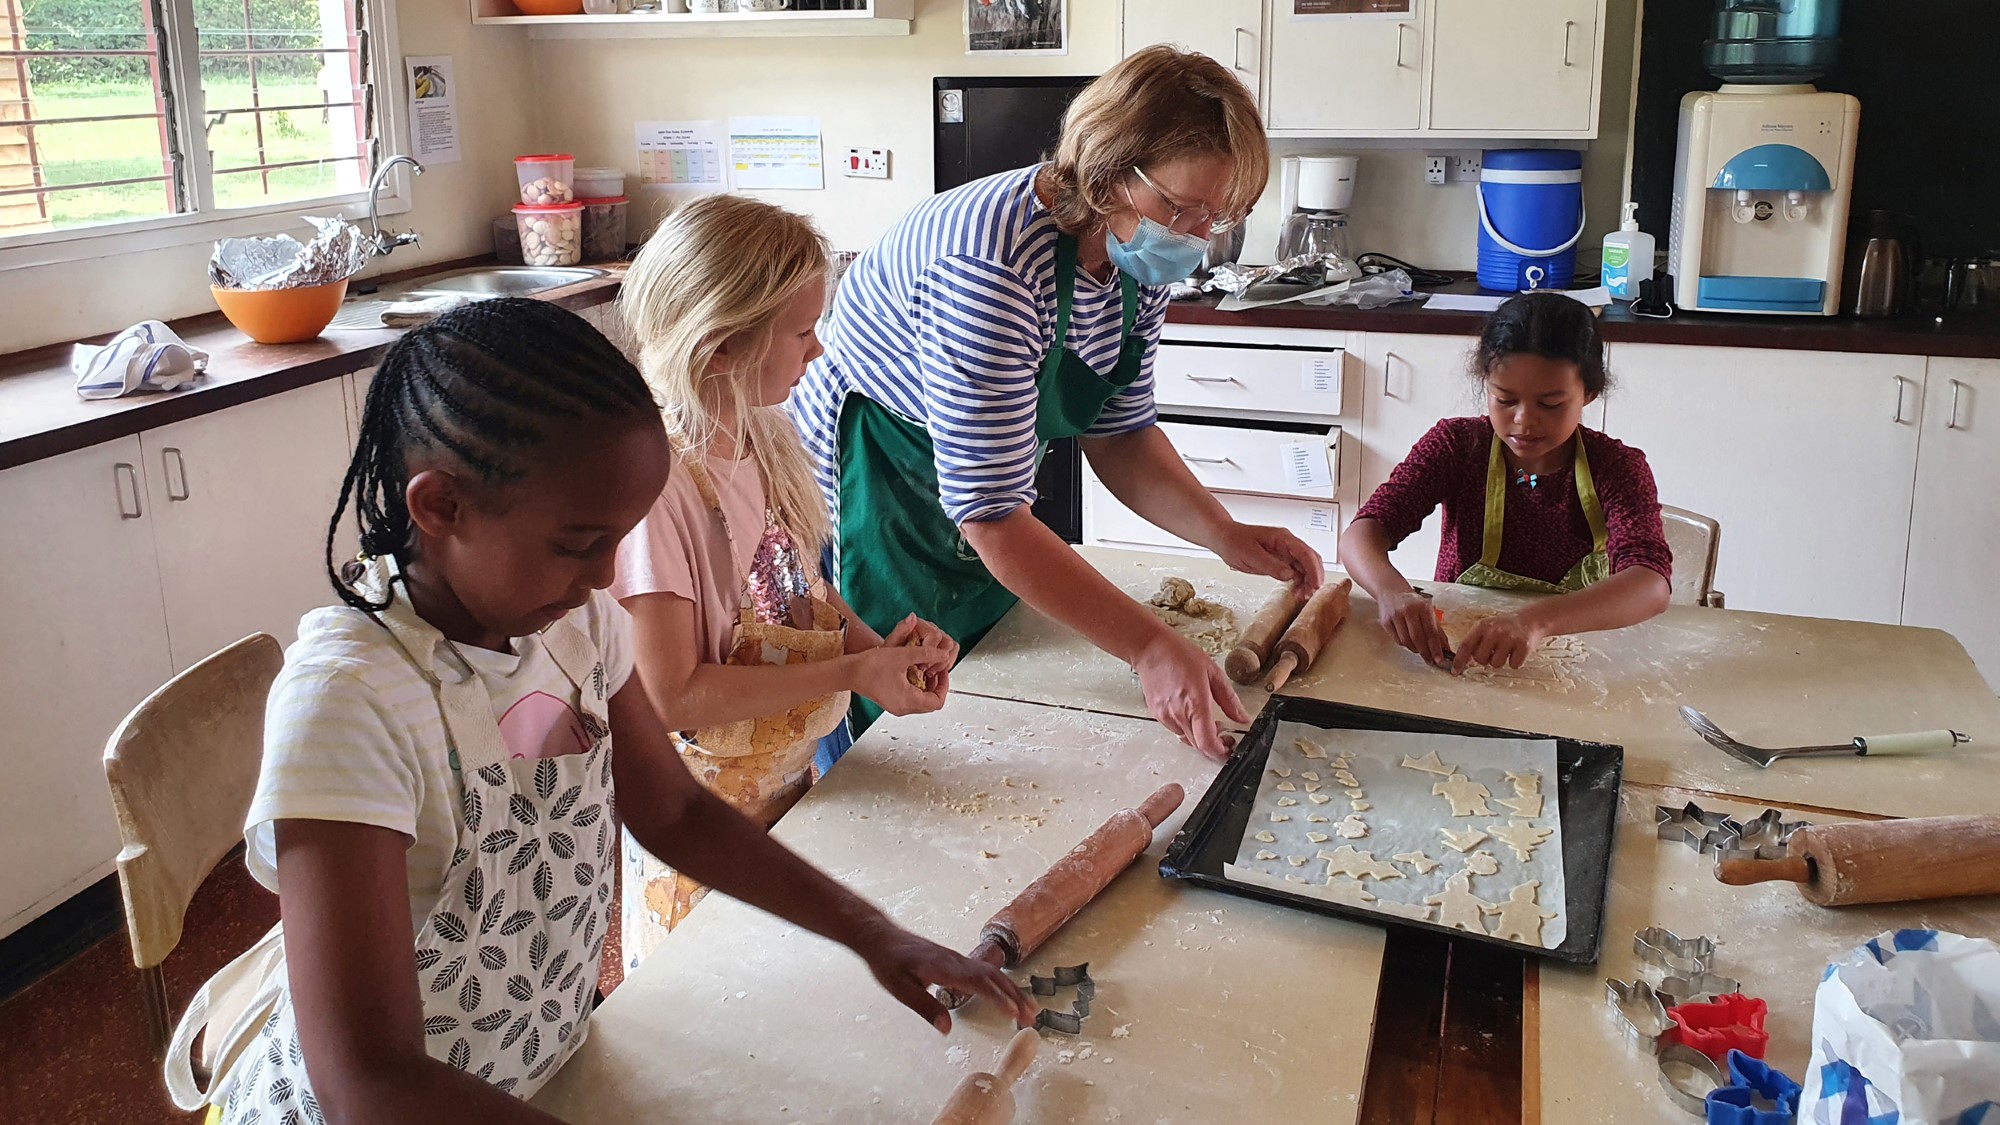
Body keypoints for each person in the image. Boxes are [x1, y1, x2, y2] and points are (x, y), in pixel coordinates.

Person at [166, 300, 1032, 1124]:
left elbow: (680, 810)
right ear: (440, 506)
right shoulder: (351, 703)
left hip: (533, 1073)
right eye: (579, 545)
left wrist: (872, 932)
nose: (604, 575)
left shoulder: (573, 624)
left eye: (618, 540)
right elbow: (369, 1083)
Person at [791, 45, 1321, 760]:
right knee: (892, 713)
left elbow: (1121, 431)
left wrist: (1222, 533)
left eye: (1218, 216)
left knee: (983, 674)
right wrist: (1149, 648)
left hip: (971, 495)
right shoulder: (990, 267)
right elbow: (993, 516)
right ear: (1107, 174)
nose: (1197, 238)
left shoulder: (1137, 249)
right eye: (1182, 209)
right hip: (880, 478)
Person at [611, 195, 958, 953]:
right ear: (723, 346)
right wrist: (854, 668)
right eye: (802, 332)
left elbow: (796, 587)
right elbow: (673, 695)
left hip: (787, 800)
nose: (819, 351)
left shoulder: (766, 439)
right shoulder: (658, 486)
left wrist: (875, 654)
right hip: (698, 837)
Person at [1338, 291, 1672, 674]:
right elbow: (1363, 533)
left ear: (1589, 395)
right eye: (1505, 399)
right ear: (1486, 386)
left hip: (1574, 659)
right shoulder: (1457, 447)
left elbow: (1651, 583)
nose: (1524, 421)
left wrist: (1534, 622)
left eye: (1550, 404)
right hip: (1460, 651)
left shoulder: (1616, 466)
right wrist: (1393, 593)